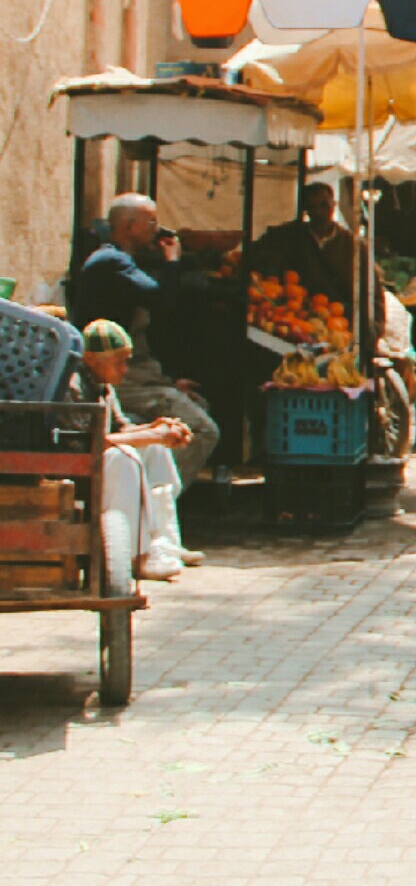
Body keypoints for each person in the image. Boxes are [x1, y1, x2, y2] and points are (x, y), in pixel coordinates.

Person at [69, 192, 221, 476]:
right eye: (150, 222)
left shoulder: (120, 261)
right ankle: (154, 497)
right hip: (119, 378)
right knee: (203, 430)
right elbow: (161, 298)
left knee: (200, 406)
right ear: (128, 226)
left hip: (136, 372)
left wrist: (168, 381)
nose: (156, 228)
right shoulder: (111, 262)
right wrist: (172, 261)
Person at [74, 321, 201, 590]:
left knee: (154, 449)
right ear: (90, 360)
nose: (124, 369)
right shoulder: (75, 386)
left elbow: (121, 428)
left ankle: (164, 542)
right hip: (79, 470)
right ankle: (136, 555)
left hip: (97, 460)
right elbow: (94, 442)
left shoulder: (104, 386)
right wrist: (150, 435)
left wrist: (157, 429)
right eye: (118, 362)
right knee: (125, 458)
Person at [248, 179, 357, 299]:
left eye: (323, 205)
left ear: (333, 205)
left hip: (339, 314)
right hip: (296, 310)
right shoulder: (288, 235)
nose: (318, 212)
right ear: (306, 210)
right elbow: (256, 251)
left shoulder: (352, 245)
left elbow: (370, 292)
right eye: (312, 207)